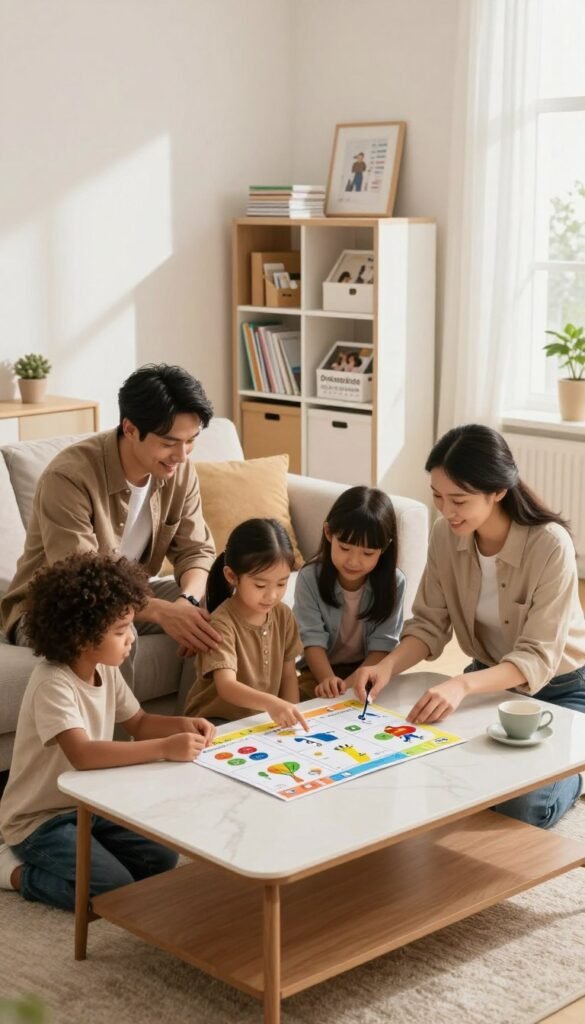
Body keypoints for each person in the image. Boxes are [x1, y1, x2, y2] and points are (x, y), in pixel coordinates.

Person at [352, 424, 585, 829]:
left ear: (497, 491)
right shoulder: (445, 536)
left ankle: (576, 768)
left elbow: (536, 657)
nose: (446, 510)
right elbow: (429, 624)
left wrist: (459, 685)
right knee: (428, 770)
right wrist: (385, 667)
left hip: (561, 692)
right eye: (438, 496)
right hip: (487, 681)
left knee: (524, 807)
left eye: (458, 499)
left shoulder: (550, 544)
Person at [0, 553, 215, 910]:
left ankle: (87, 856)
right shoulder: (53, 683)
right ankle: (14, 873)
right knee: (111, 890)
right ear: (83, 637)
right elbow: (83, 755)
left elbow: (140, 722)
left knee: (161, 860)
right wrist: (166, 747)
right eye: (120, 631)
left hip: (88, 808)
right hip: (40, 820)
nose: (131, 637)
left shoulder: (105, 668)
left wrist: (184, 725)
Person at [1, 364, 222, 690]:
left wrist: (187, 603)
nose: (181, 455)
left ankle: (193, 727)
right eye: (169, 442)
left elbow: (197, 550)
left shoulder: (179, 470)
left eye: (191, 441)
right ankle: (123, 741)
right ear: (130, 428)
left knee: (219, 604)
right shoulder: (69, 477)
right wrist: (162, 613)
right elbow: (84, 584)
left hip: (128, 597)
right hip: (53, 605)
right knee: (115, 629)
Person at [184, 519, 309, 731]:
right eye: (260, 585)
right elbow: (226, 687)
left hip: (258, 720)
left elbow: (289, 676)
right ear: (232, 576)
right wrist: (272, 703)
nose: (272, 595)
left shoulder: (283, 615)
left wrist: (292, 713)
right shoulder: (222, 623)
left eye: (281, 583)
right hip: (214, 722)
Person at [293, 486, 405, 700]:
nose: (354, 561)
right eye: (344, 548)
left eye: (367, 553)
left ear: (384, 548)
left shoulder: (395, 583)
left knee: (389, 704)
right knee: (305, 701)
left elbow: (384, 644)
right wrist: (328, 680)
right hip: (319, 671)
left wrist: (348, 685)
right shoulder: (310, 578)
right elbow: (311, 639)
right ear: (328, 533)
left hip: (369, 669)